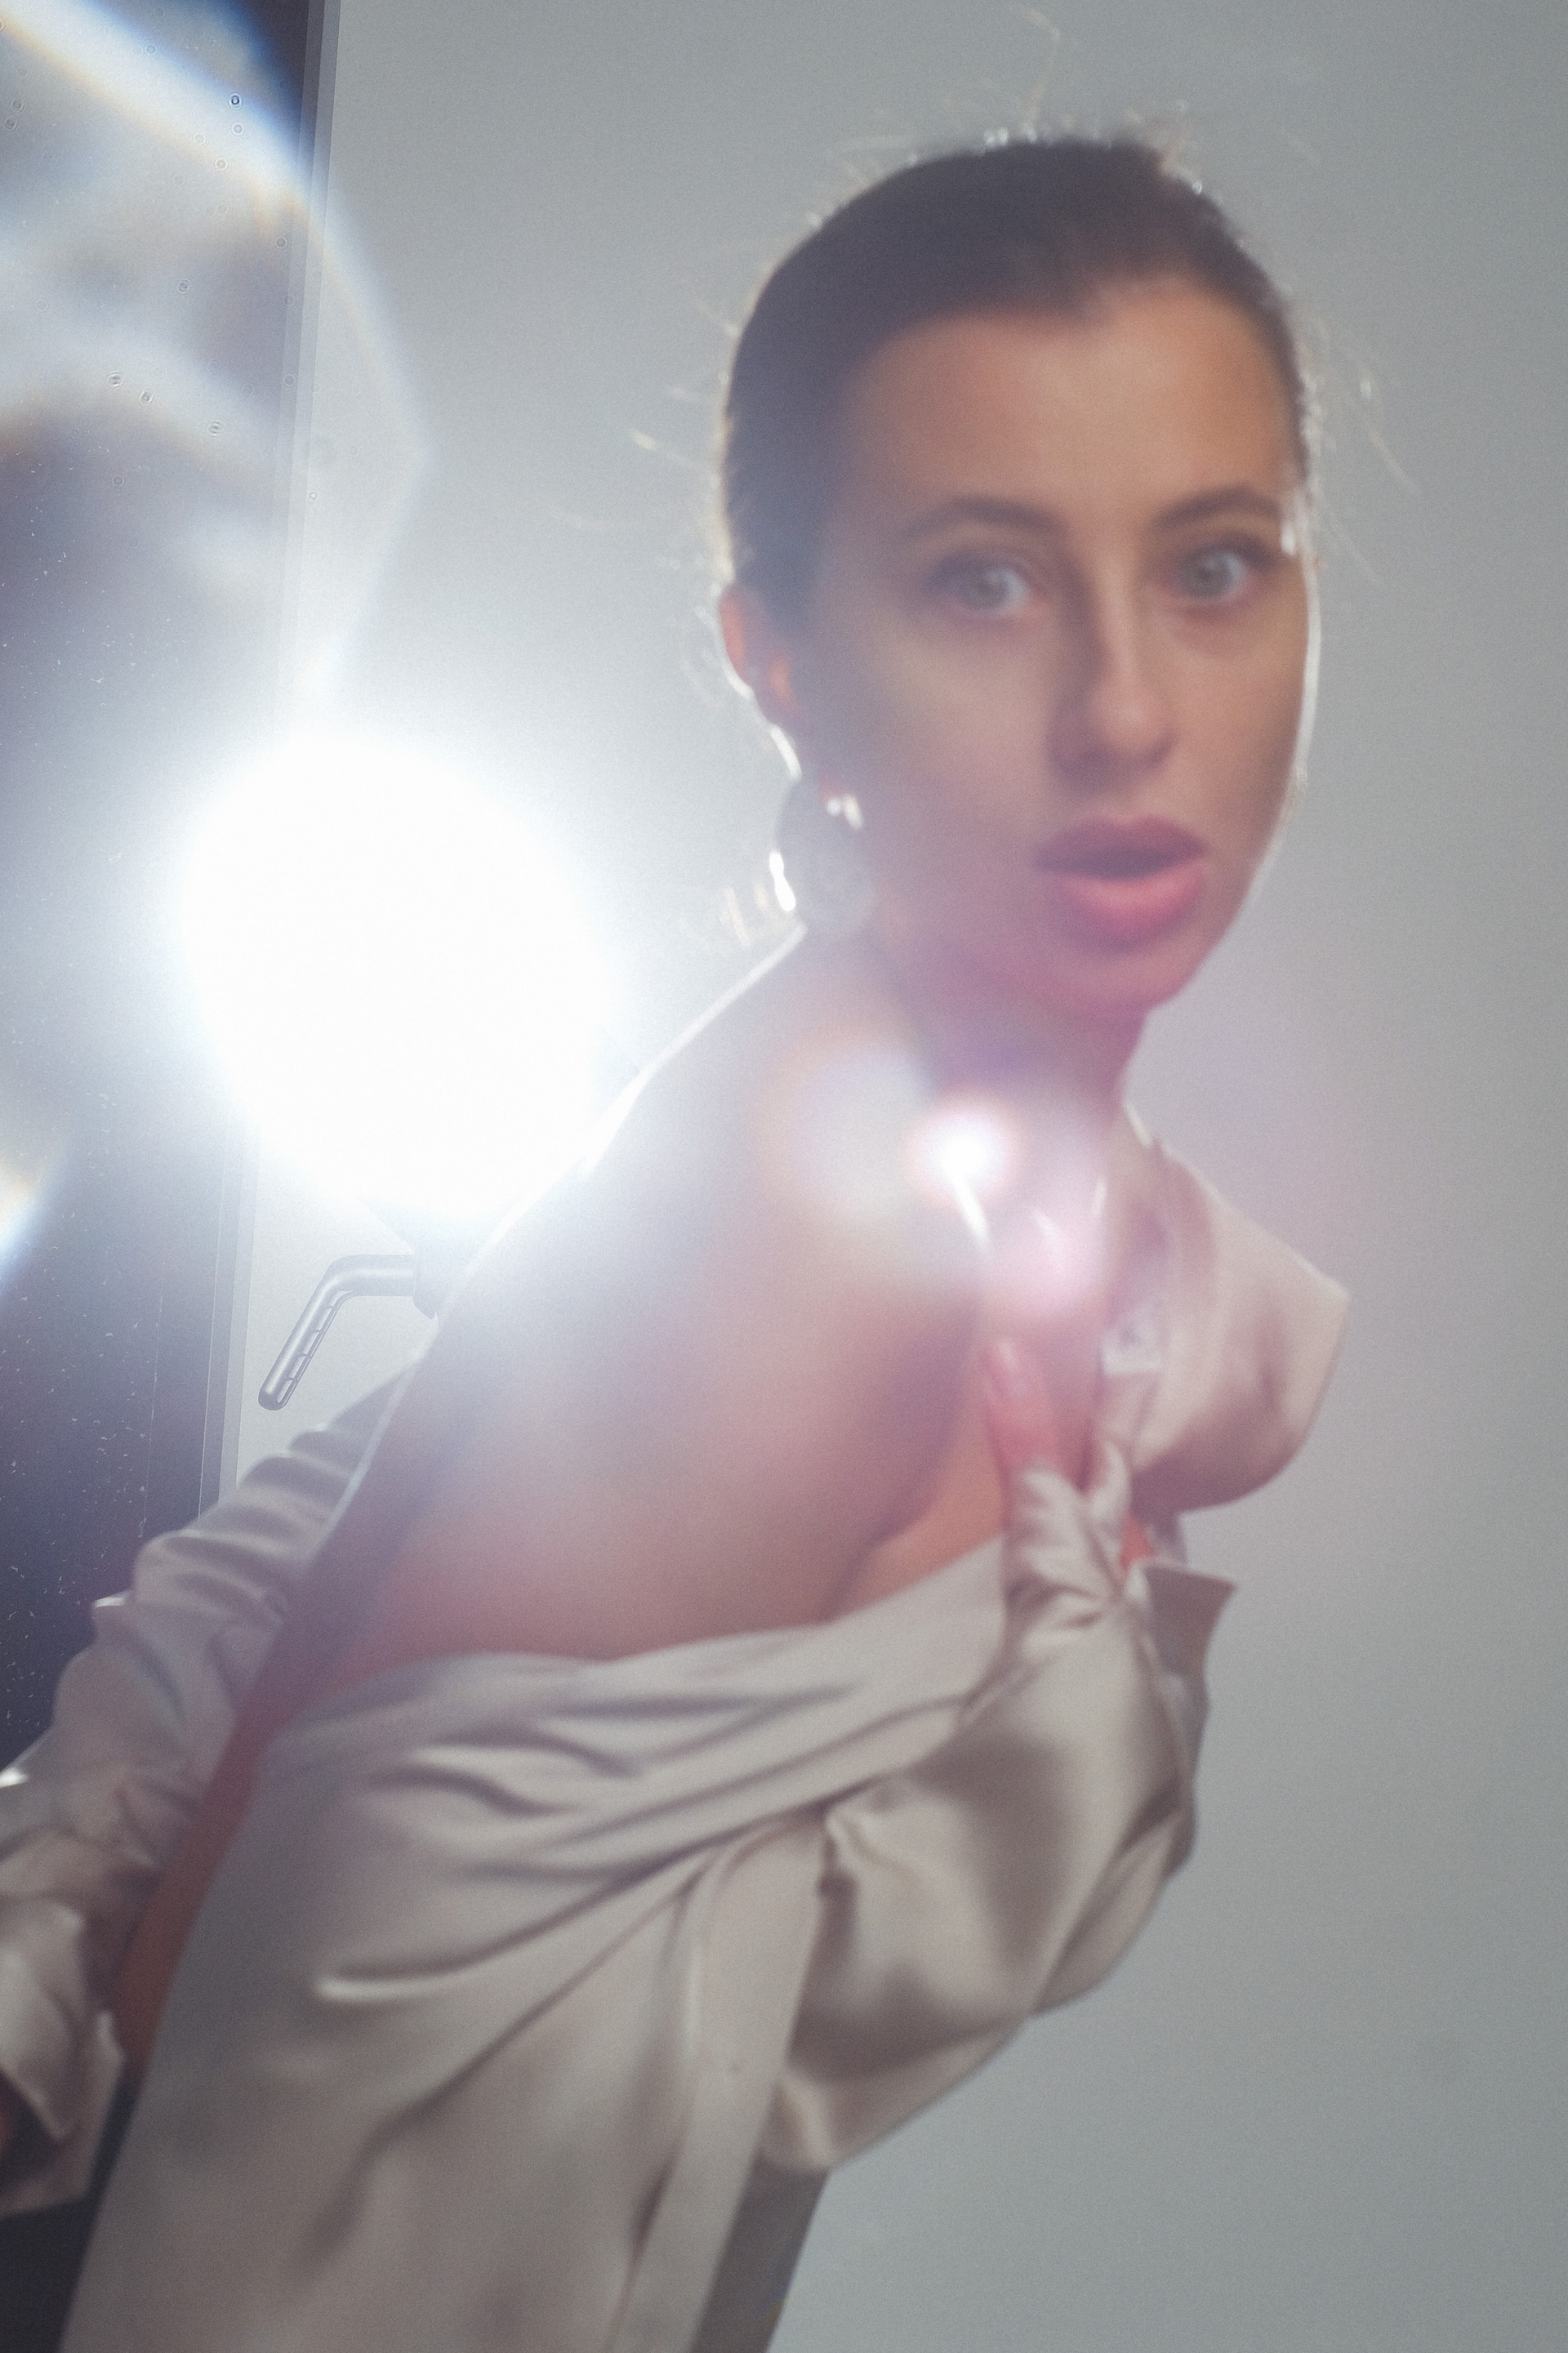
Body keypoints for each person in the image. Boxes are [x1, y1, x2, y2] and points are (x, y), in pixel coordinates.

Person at [0, 136, 1346, 2351]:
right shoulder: (826, 1224)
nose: (1126, 711)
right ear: (778, 660)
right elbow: (301, 2094)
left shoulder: (970, 1168)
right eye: (984, 585)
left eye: (1213, 566)